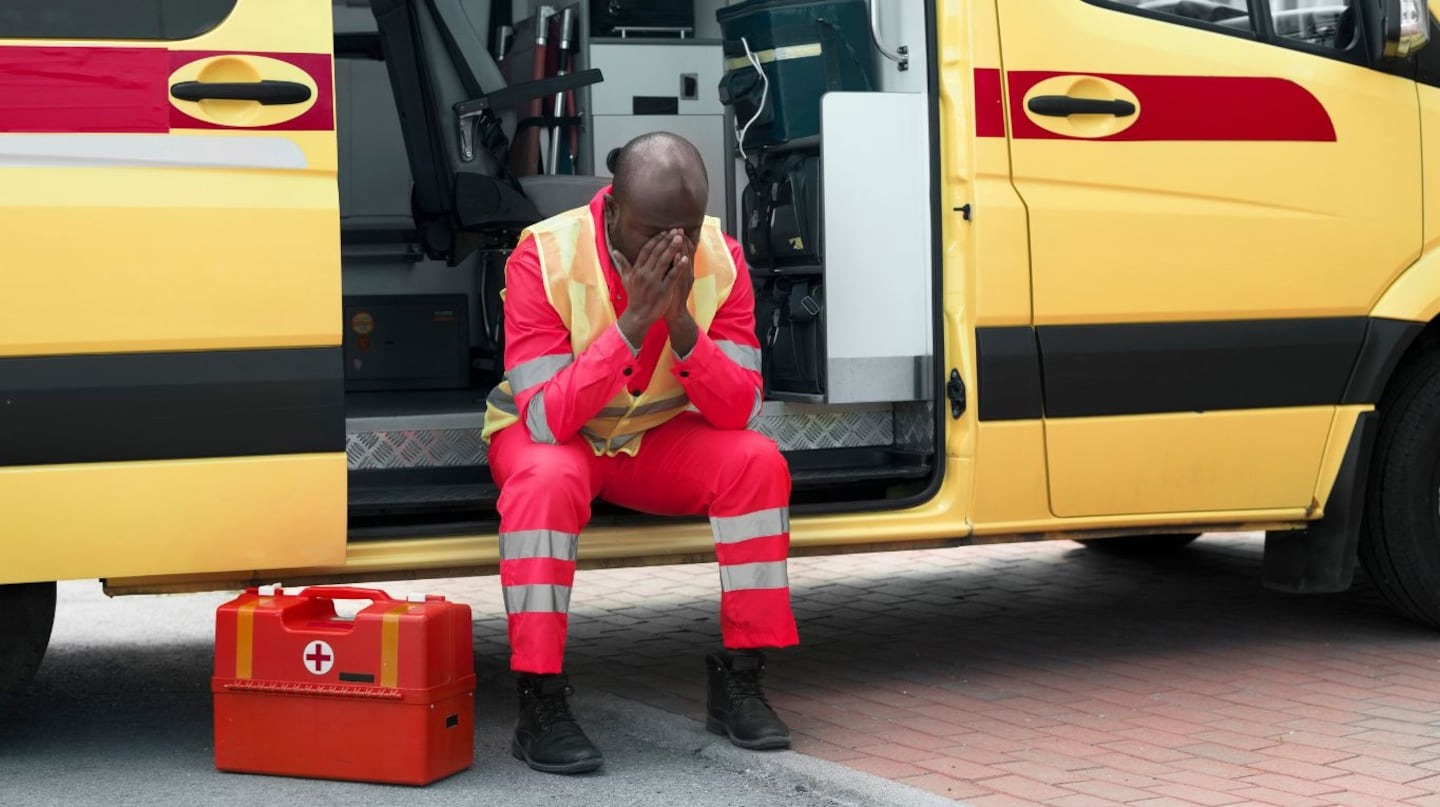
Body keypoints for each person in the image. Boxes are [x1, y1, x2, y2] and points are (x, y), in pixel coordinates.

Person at [480, 132, 799, 775]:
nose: (674, 245)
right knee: (544, 479)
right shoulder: (543, 255)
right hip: (555, 436)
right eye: (654, 228)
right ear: (613, 208)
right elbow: (544, 419)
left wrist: (680, 324)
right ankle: (539, 698)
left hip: (653, 438)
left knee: (757, 461)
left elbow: (737, 410)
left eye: (685, 227)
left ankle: (741, 677)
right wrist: (630, 325)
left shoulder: (722, 258)